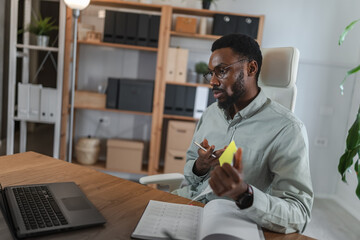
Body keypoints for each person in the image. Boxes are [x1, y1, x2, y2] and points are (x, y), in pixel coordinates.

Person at [173, 34, 313, 234]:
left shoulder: (288, 129)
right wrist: (200, 166)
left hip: (233, 222)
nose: (212, 81)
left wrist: (244, 194)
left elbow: (299, 214)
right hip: (188, 204)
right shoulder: (211, 113)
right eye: (211, 73)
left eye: (221, 71)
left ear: (251, 68)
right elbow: (191, 173)